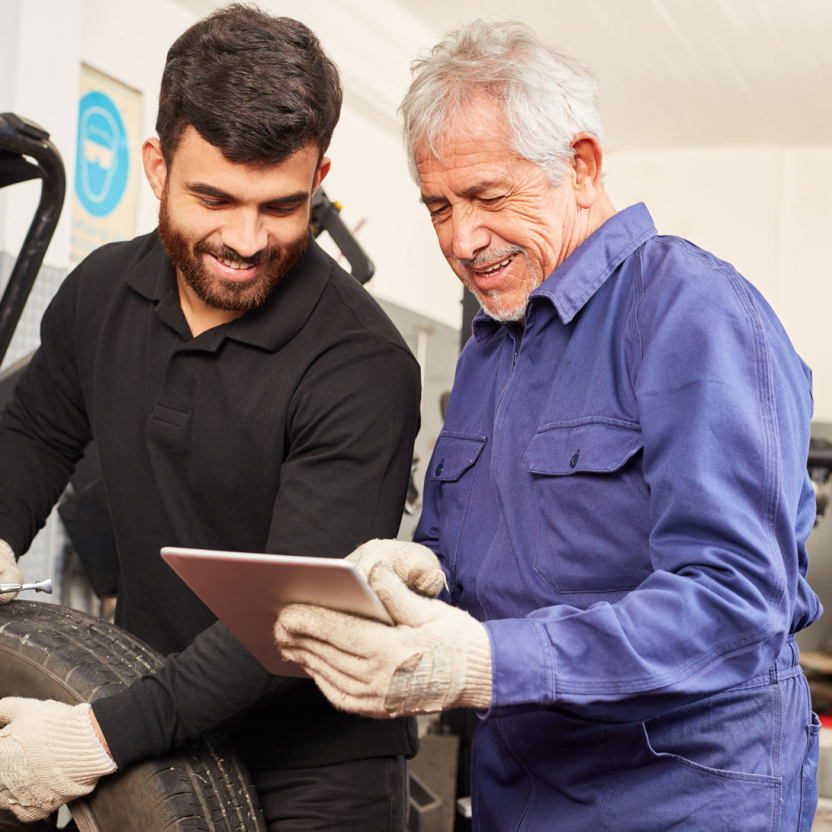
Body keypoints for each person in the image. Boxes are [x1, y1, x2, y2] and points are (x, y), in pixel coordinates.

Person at [275, 19, 822, 832]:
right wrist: (422, 573)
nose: (463, 238)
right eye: (439, 207)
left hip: (681, 798)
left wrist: (482, 660)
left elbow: (735, 602)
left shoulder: (692, 311)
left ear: (582, 165)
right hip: (521, 791)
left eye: (490, 196)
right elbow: (475, 563)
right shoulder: (493, 347)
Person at [0, 5, 420, 829]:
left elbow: (288, 619)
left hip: (316, 770)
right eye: (215, 197)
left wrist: (91, 737)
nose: (246, 238)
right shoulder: (101, 293)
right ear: (156, 164)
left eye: (281, 206)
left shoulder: (361, 364)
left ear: (319, 181)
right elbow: (36, 431)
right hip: (156, 724)